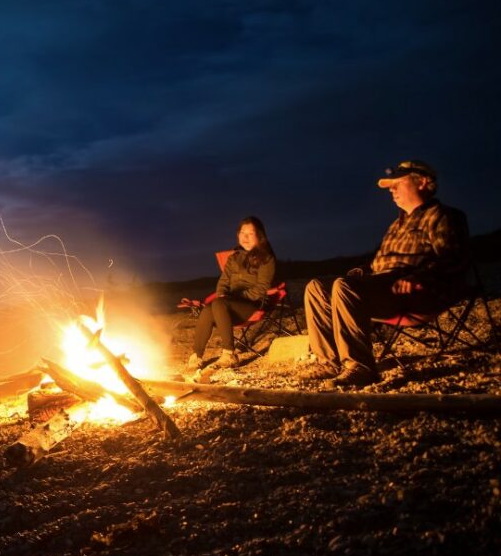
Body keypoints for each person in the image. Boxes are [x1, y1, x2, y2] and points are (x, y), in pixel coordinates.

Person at [303, 160, 470, 388]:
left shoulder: (443, 216)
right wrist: (363, 271)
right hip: (384, 285)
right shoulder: (396, 224)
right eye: (390, 186)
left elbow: (451, 258)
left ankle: (360, 367)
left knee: (345, 286)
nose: (392, 190)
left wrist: (419, 277)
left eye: (397, 184)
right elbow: (380, 262)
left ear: (421, 182)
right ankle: (329, 362)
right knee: (316, 287)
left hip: (415, 290)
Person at [187, 216, 276, 372]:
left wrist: (234, 298)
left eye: (250, 233)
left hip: (252, 305)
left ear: (260, 236)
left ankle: (229, 354)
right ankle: (197, 355)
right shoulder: (233, 258)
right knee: (209, 309)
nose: (245, 237)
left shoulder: (266, 258)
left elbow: (262, 289)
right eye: (242, 232)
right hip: (227, 306)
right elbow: (223, 282)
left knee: (219, 303)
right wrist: (222, 294)